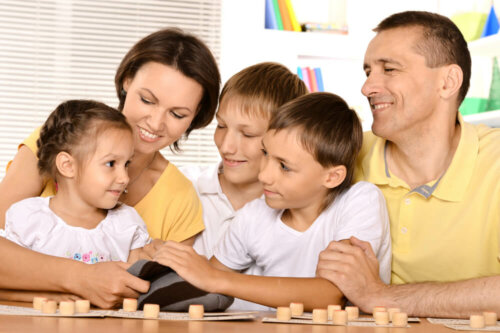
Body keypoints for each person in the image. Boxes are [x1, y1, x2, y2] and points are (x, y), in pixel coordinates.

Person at [0, 28, 220, 308]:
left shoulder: (180, 198)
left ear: (195, 117)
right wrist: (81, 279)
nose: (155, 122)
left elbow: (161, 302)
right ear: (127, 81)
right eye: (147, 100)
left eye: (177, 114)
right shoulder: (61, 140)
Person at [316, 11, 500, 318]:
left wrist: (381, 296)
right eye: (368, 72)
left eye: (389, 69)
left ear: (447, 81)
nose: (368, 88)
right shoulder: (343, 154)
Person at [154, 92, 391, 311]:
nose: (264, 175)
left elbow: (332, 294)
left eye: (284, 166)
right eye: (266, 153)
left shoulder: (360, 201)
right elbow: (204, 282)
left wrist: (217, 279)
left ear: (332, 177)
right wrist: (156, 265)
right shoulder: (253, 216)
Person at [180, 62, 307, 310]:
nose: (226, 146)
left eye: (247, 135)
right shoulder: (184, 188)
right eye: (221, 126)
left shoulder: (302, 211)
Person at [1, 100, 152, 301]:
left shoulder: (127, 223)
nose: (124, 177)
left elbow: (136, 288)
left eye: (126, 164)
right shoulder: (28, 218)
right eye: (110, 163)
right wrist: (47, 296)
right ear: (67, 165)